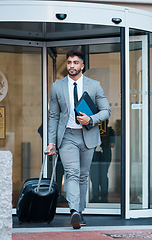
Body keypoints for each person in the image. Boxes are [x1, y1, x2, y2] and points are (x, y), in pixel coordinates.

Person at [45, 48, 111, 229]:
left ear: (82, 66)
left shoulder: (94, 85)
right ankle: (74, 210)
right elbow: (53, 116)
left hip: (88, 136)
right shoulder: (57, 86)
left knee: (83, 176)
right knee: (72, 173)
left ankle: (79, 212)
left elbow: (106, 110)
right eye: (69, 62)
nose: (71, 66)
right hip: (67, 136)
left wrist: (91, 119)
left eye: (75, 63)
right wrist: (51, 141)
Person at [90, 120, 115, 203]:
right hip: (94, 155)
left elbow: (112, 144)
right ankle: (96, 196)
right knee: (95, 176)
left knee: (102, 176)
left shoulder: (110, 131)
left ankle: (103, 197)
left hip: (104, 155)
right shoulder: (92, 129)